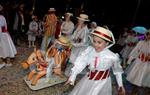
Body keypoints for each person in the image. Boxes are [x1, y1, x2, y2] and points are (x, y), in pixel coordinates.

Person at [65, 26, 125, 95]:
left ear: (107, 43)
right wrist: (72, 77)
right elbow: (81, 62)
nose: (95, 45)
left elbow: (117, 71)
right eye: (94, 41)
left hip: (102, 83)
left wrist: (120, 85)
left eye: (99, 42)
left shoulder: (112, 56)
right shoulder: (90, 51)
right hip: (88, 80)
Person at [125, 30, 150, 94]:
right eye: (148, 34)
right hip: (138, 61)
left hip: (147, 63)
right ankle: (131, 89)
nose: (148, 36)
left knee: (142, 77)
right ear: (146, 35)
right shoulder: (141, 42)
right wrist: (130, 59)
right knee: (133, 75)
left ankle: (137, 90)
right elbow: (135, 51)